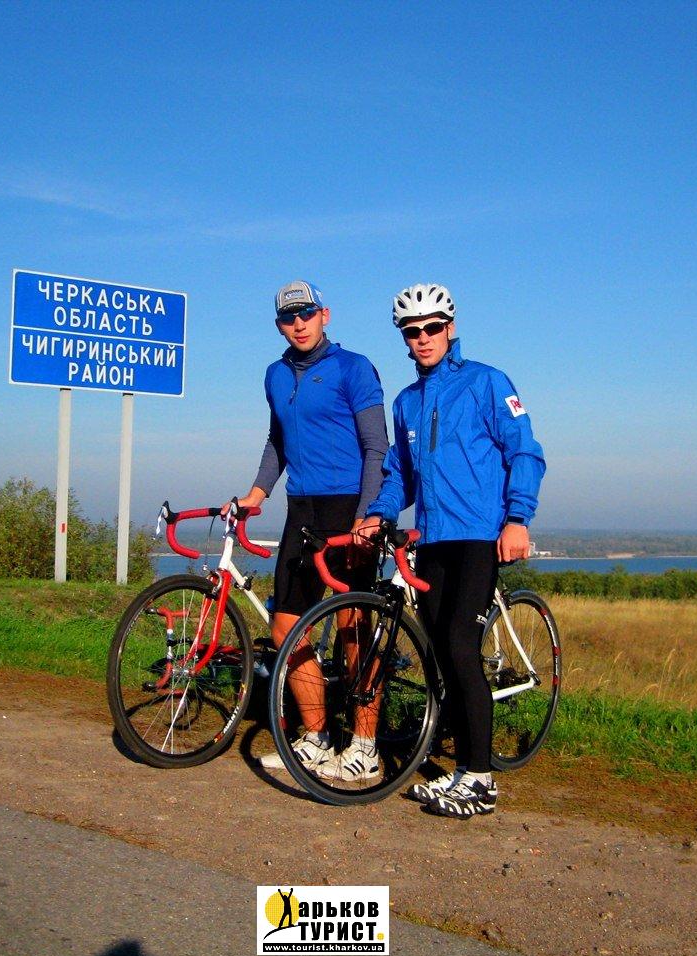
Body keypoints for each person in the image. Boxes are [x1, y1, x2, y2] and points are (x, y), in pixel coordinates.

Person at [359, 283, 545, 818]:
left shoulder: (487, 382)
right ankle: (463, 768)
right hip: (433, 541)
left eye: (432, 328)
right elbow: (401, 474)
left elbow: (525, 451)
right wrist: (379, 513)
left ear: (450, 328)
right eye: (412, 331)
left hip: (480, 538)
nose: (423, 338)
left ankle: (481, 781)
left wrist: (518, 519)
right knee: (442, 653)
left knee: (461, 647)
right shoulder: (407, 402)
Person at [232, 280, 388, 781]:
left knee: (352, 627)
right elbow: (277, 441)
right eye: (288, 318)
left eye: (306, 314)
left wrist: (369, 514)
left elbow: (376, 447)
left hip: (350, 508)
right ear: (279, 325)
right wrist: (257, 494)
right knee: (285, 626)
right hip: (302, 509)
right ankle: (317, 739)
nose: (298, 324)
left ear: (325, 315)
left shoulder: (353, 368)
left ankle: (365, 746)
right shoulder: (275, 375)